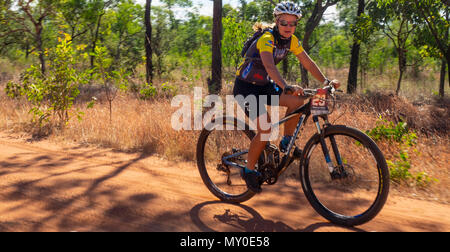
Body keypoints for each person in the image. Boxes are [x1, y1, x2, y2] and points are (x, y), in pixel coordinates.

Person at [233, 1, 341, 193]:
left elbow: (307, 63)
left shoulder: (291, 40)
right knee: (265, 129)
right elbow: (269, 66)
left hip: (264, 86)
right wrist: (286, 86)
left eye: (293, 24)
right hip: (246, 88)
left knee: (298, 102)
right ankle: (248, 170)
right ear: (276, 21)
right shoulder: (267, 38)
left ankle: (286, 142)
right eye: (284, 23)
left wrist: (326, 82)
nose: (288, 27)